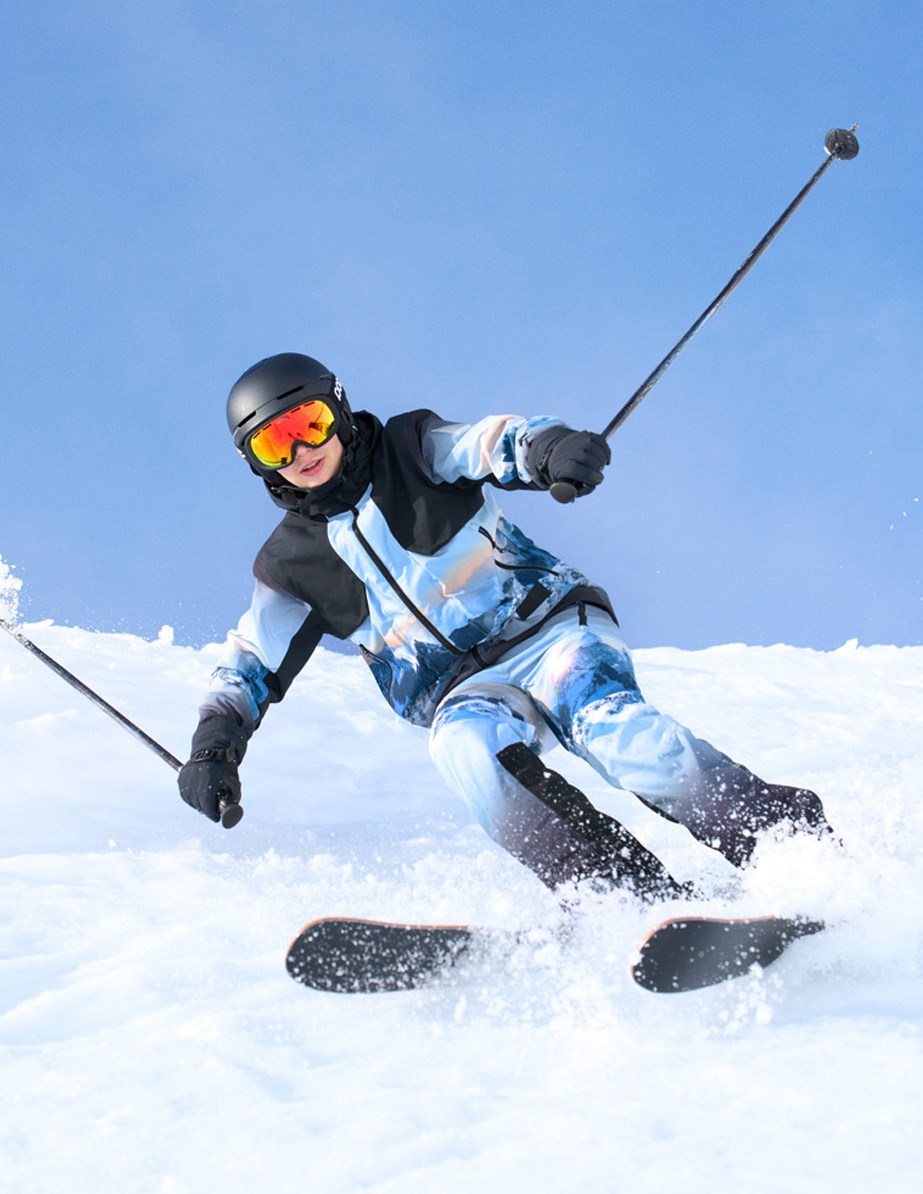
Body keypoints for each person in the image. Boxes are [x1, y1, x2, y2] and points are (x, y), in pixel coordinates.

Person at [178, 352, 832, 902]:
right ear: (257, 462)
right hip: (462, 691)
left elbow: (491, 442)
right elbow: (250, 659)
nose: (300, 451)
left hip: (548, 630)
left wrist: (552, 450)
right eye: (273, 443)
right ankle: (625, 897)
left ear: (339, 410)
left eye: (310, 424)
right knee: (467, 755)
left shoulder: (409, 448)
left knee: (624, 740)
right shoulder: (291, 563)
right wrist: (213, 748)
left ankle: (789, 846)